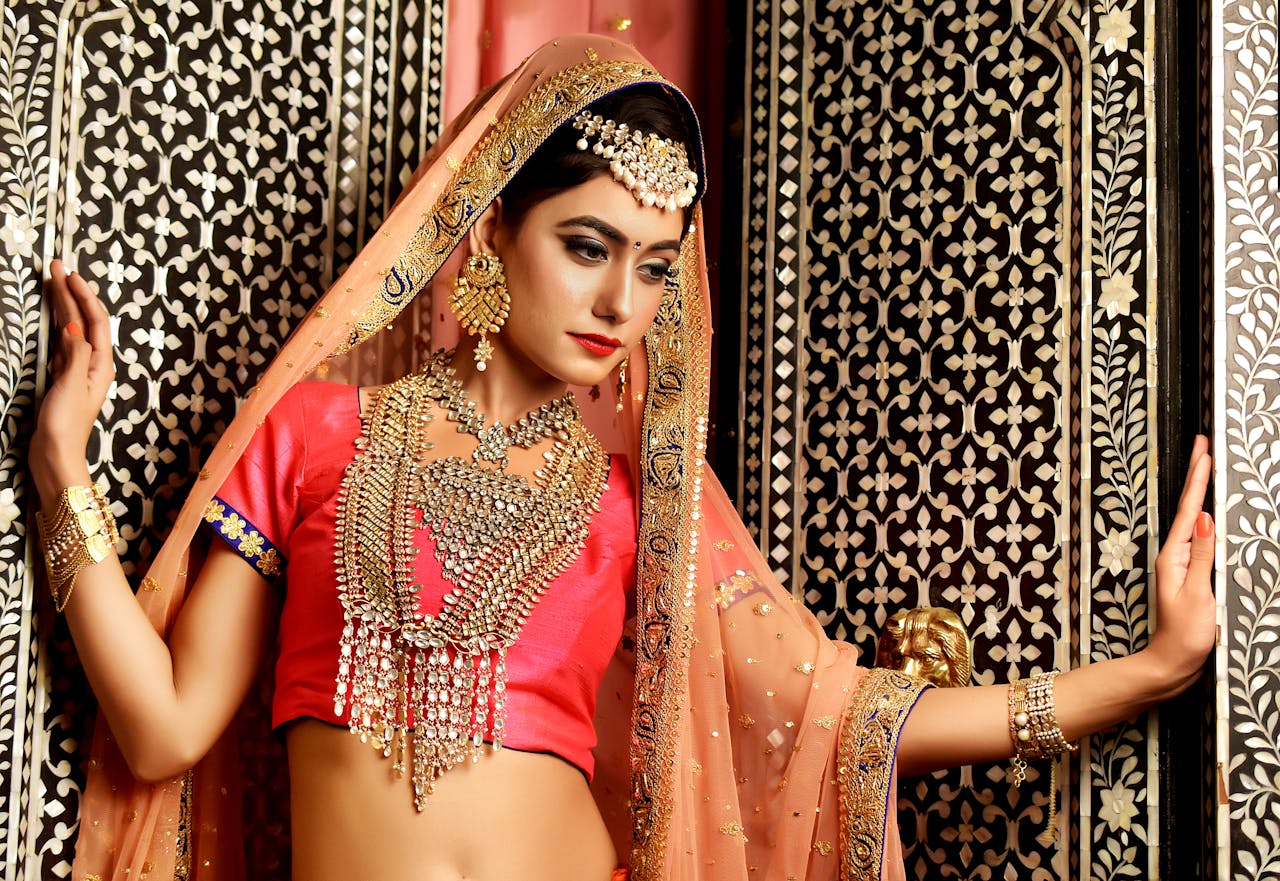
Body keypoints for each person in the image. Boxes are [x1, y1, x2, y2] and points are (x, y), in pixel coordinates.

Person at [30, 34, 1216, 881]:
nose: (619, 302)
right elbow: (164, 727)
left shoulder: (639, 504)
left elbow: (839, 720)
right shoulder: (314, 433)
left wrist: (1142, 673)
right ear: (492, 226)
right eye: (586, 245)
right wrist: (60, 475)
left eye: (651, 267)